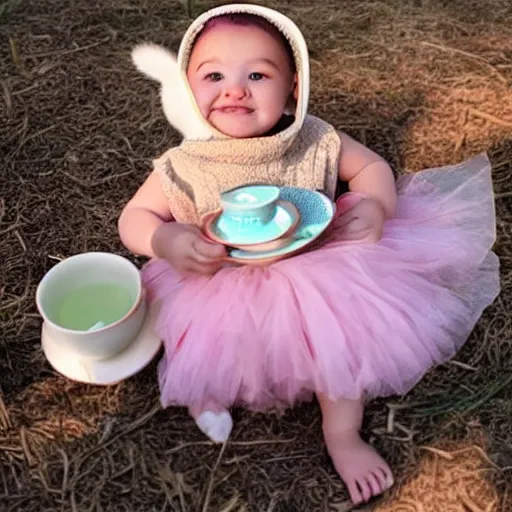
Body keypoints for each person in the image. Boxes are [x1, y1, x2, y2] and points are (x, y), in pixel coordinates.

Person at [119, 4, 500, 505]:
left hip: (319, 270)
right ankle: (206, 392)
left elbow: (371, 167)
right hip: (217, 277)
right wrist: (164, 240)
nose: (235, 89)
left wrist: (376, 205)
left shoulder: (315, 139)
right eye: (213, 75)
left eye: (257, 73)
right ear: (188, 90)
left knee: (337, 341)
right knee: (205, 339)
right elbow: (134, 218)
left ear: (293, 87)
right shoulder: (183, 163)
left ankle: (342, 435)